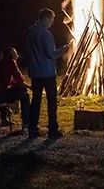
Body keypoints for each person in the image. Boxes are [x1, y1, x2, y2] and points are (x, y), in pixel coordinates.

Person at [26, 9, 69, 139]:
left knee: (36, 101)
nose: (52, 22)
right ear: (45, 18)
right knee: (51, 102)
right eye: (51, 19)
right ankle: (53, 130)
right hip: (47, 72)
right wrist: (63, 50)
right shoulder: (46, 34)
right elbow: (50, 54)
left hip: (35, 72)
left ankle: (32, 129)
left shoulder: (30, 32)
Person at [0, 47, 30, 130]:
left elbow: (11, 82)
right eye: (15, 54)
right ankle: (26, 122)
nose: (17, 56)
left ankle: (4, 119)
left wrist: (24, 85)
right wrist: (26, 86)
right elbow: (19, 79)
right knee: (25, 95)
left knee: (9, 90)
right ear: (10, 55)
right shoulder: (11, 63)